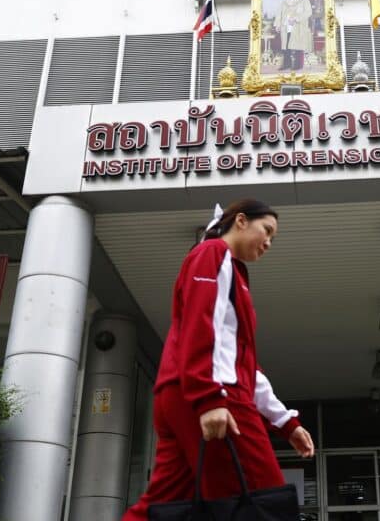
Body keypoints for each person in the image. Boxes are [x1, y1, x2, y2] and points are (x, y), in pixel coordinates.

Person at [122, 199, 315, 521]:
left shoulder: (233, 270)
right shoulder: (213, 254)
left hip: (183, 394)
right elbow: (202, 324)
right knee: (262, 498)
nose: (269, 242)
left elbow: (243, 363)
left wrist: (284, 421)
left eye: (273, 238)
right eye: (266, 231)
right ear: (240, 221)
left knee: (160, 505)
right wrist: (208, 398)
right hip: (213, 393)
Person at [275, 0, 313, 72]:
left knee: (297, 46)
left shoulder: (303, 0)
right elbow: (278, 14)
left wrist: (296, 19)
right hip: (286, 26)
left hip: (297, 26)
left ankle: (298, 65)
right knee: (286, 46)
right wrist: (277, 24)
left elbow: (308, 12)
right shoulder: (284, 1)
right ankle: (286, 64)